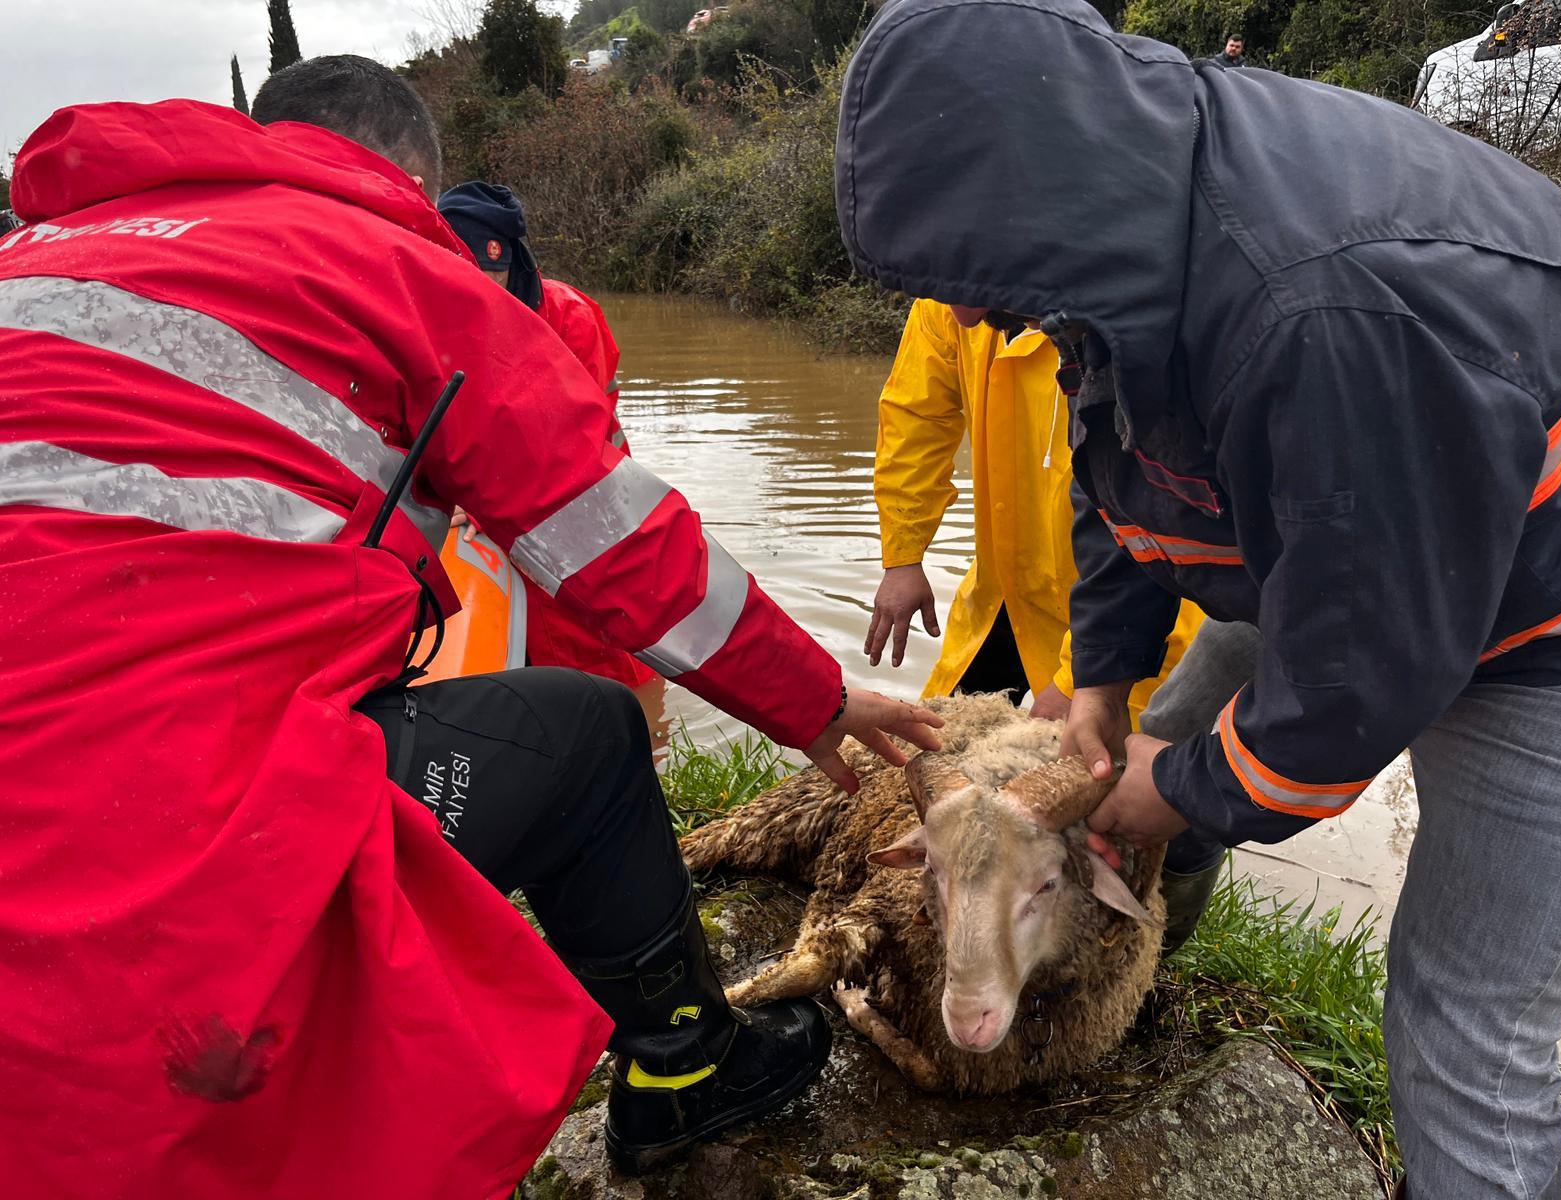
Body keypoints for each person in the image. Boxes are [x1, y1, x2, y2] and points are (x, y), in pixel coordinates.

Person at [0, 55, 941, 1198]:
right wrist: (814, 697)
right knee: (589, 737)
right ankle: (689, 1066)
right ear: (403, 174)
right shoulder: (394, 268)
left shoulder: (31, 262)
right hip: (179, 823)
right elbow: (622, 545)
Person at [833, 2, 1561, 1196]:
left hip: (1559, 610)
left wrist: (1177, 787)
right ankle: (1137, 928)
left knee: (1461, 1026)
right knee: (1155, 751)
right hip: (1352, 524)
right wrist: (1099, 684)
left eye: (970, 277)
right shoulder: (1121, 217)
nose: (972, 317)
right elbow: (1115, 455)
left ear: (1035, 184)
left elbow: (1352, 682)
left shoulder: (1318, 313)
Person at [868, 298, 1203, 721]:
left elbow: (1149, 502)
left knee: (1115, 756)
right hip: (1006, 586)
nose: (962, 317)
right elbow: (915, 421)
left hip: (1127, 595)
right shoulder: (945, 293)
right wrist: (903, 557)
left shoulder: (1122, 308)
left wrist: (1084, 676)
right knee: (935, 737)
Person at [438, 180, 662, 714]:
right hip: (503, 512)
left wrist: (487, 502)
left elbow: (567, 451)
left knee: (605, 650)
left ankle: (645, 738)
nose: (479, 289)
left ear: (512, 265)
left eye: (490, 274)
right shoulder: (435, 310)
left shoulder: (570, 319)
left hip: (592, 507)